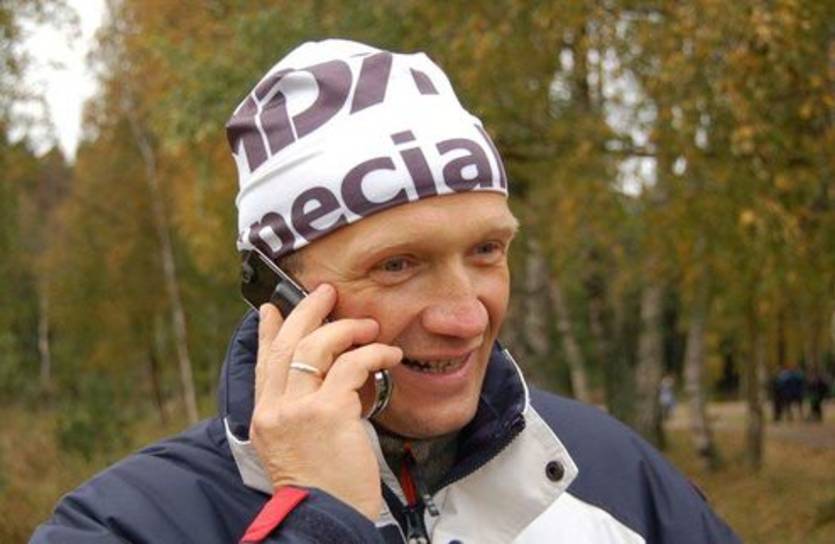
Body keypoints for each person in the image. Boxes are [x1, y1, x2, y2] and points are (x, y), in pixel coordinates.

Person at [31, 39, 740, 543]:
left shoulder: (614, 475)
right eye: (398, 264)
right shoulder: (124, 525)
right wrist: (319, 522)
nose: (466, 316)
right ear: (277, 289)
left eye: (486, 250)